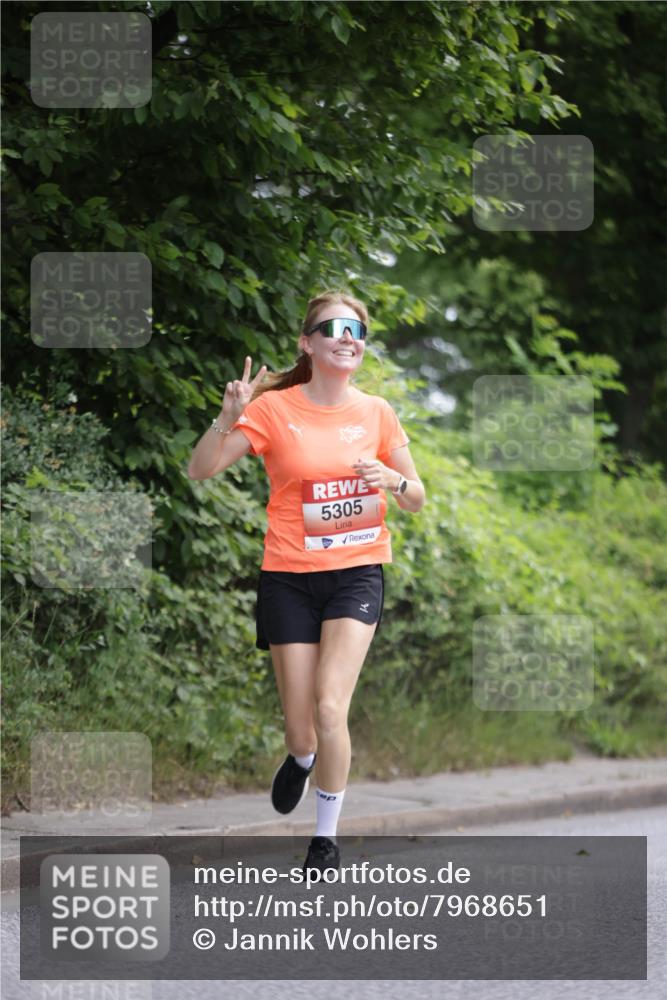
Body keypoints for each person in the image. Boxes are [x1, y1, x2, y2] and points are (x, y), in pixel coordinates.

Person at [187, 289, 425, 880]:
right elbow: (202, 469)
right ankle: (299, 757)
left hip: (356, 574)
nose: (349, 337)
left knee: (328, 705)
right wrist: (229, 412)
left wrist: (393, 479)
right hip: (289, 577)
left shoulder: (377, 413)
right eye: (335, 328)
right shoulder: (274, 409)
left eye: (358, 331)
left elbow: (417, 498)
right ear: (308, 343)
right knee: (301, 726)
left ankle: (325, 838)